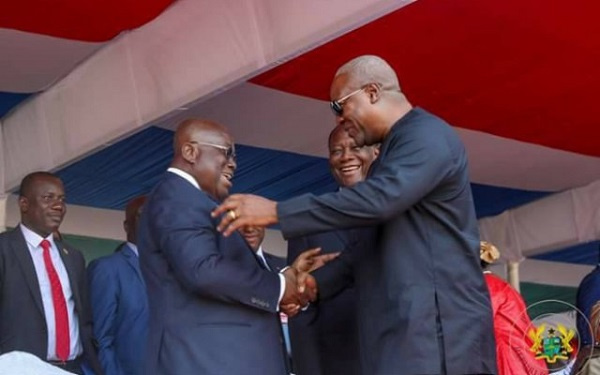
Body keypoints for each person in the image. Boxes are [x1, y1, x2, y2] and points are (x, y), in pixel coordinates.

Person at [213, 55, 497, 374]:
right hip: (408, 340)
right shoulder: (391, 155)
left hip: (442, 341)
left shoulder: (426, 136)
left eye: (340, 106)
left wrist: (277, 211)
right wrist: (312, 286)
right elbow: (366, 247)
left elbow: (380, 200)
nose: (339, 120)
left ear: (372, 92)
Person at [137, 119, 311, 375]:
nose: (233, 163)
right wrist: (280, 288)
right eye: (226, 152)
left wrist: (278, 279)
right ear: (190, 152)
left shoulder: (192, 200)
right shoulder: (177, 196)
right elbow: (204, 270)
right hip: (206, 361)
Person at [286, 125, 378, 375]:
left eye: (355, 148)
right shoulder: (309, 219)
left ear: (376, 153)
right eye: (337, 151)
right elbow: (301, 308)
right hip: (337, 363)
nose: (346, 156)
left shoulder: (402, 214)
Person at [0, 171, 103, 375]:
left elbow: (83, 319)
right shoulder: (4, 249)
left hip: (73, 367)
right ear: (24, 204)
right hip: (21, 369)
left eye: (62, 199)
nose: (58, 206)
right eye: (48, 198)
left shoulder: (73, 256)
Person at [87, 196, 148, 375]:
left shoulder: (171, 272)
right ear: (127, 226)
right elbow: (100, 339)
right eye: (143, 215)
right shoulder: (108, 269)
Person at [480, 241, 548, 375]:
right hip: (525, 355)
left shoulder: (487, 286)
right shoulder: (499, 285)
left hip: (507, 357)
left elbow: (478, 322)